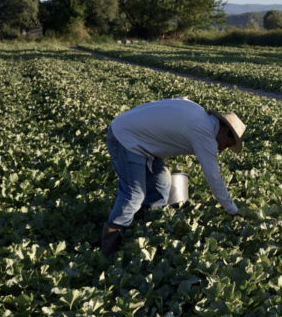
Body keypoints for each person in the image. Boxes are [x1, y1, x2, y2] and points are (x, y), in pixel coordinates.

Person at [101, 97, 246, 257]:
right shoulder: (204, 134)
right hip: (125, 138)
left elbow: (176, 103)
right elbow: (214, 178)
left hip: (138, 136)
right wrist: (232, 210)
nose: (222, 149)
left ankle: (150, 230)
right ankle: (109, 251)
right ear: (224, 131)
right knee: (134, 195)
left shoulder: (196, 109)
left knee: (162, 182)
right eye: (226, 145)